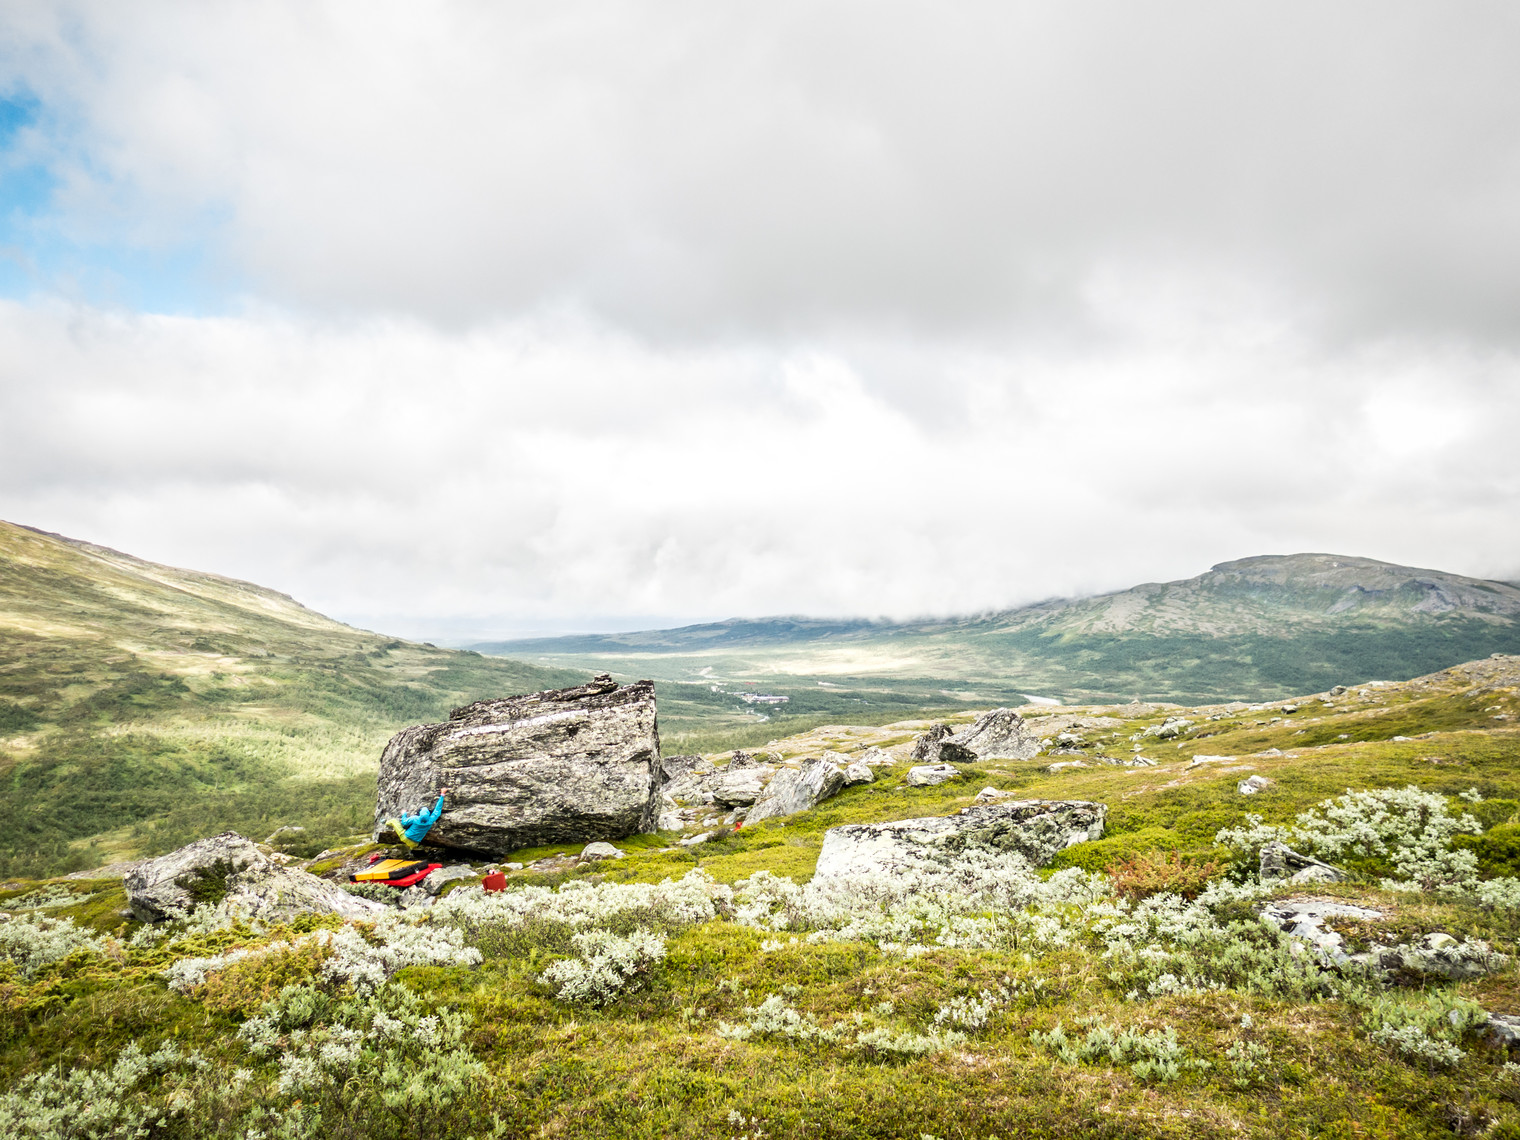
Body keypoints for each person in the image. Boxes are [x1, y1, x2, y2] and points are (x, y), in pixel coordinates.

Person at [384, 787, 450, 850]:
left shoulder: (415, 819)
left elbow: (404, 822)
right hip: (415, 843)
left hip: (405, 837)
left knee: (393, 821)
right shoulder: (430, 820)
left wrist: (404, 814)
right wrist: (442, 794)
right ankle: (412, 849)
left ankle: (385, 823)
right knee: (412, 844)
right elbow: (437, 810)